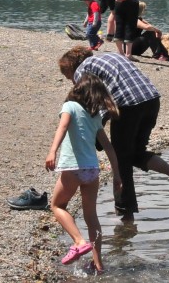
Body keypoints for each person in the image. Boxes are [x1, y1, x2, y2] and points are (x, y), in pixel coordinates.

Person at [58, 47, 169, 222]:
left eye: (69, 78)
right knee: (136, 153)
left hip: (127, 106)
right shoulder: (110, 56)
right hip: (151, 99)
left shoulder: (83, 70)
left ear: (72, 68)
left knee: (121, 161)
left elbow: (92, 105)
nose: (72, 82)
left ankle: (126, 215)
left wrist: (95, 133)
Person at [45, 75, 122, 272]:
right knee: (91, 217)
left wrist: (52, 150)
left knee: (57, 205)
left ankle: (79, 241)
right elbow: (109, 148)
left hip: (73, 167)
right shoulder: (95, 117)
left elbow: (62, 127)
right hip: (92, 170)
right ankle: (98, 264)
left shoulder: (69, 106)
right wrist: (117, 175)